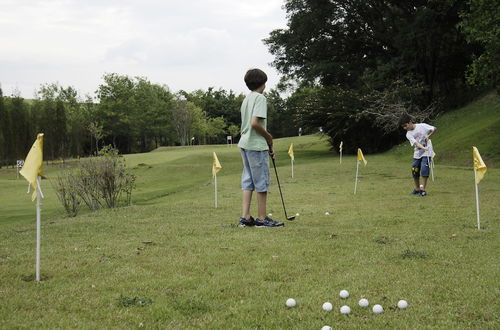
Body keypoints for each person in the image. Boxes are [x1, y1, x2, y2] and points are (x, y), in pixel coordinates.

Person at [238, 69, 284, 227]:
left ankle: (245, 217)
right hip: (256, 145)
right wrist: (268, 137)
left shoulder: (246, 99)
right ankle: (262, 219)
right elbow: (254, 123)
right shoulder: (260, 98)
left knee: (248, 180)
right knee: (261, 181)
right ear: (263, 83)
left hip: (244, 144)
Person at [399, 114, 437, 196]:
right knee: (414, 169)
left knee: (424, 169)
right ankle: (417, 189)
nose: (405, 128)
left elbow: (434, 129)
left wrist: (428, 137)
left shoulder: (422, 126)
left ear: (410, 122)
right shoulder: (408, 134)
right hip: (418, 151)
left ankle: (423, 190)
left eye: (405, 125)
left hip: (427, 151)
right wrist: (423, 148)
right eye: (403, 127)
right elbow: (416, 143)